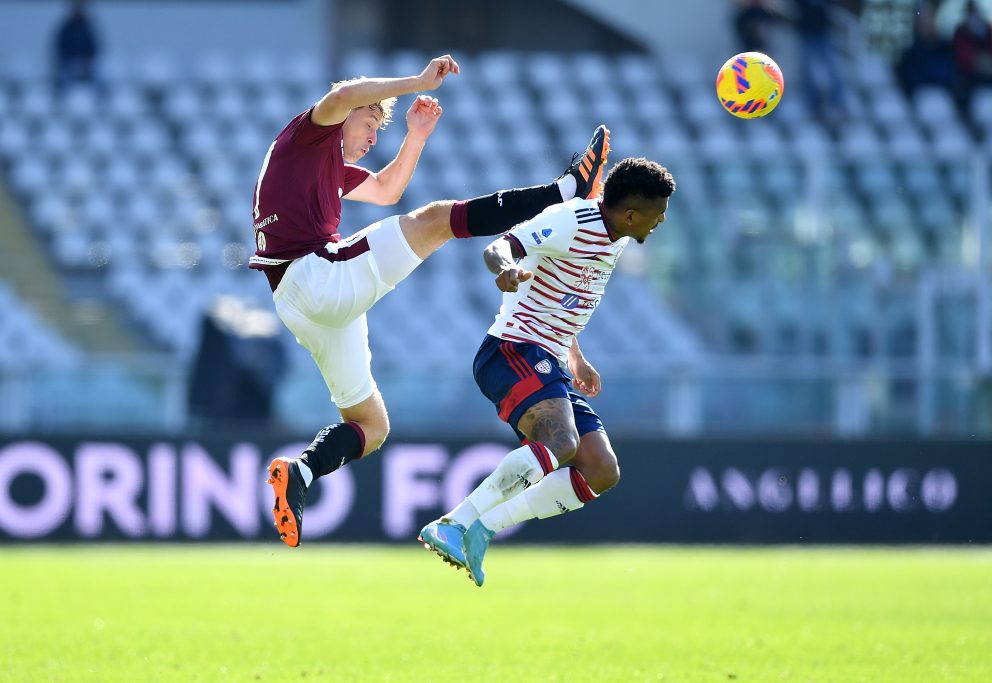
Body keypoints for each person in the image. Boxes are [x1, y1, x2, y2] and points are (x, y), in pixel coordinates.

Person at [253, 54, 611, 547]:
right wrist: (417, 82)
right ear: (348, 116)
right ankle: (565, 189)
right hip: (315, 276)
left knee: (371, 426)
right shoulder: (310, 136)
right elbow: (340, 97)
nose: (374, 135)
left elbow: (386, 190)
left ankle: (301, 473)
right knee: (439, 218)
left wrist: (415, 136)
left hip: (299, 302)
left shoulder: (327, 167)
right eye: (371, 121)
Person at [418, 157, 676, 586]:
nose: (662, 220)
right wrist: (505, 269)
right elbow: (497, 248)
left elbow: (566, 293)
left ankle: (483, 528)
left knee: (600, 470)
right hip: (512, 348)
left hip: (551, 359)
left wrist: (574, 355)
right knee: (561, 440)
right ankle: (454, 523)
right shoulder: (569, 220)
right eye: (658, 212)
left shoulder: (619, 234)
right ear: (631, 214)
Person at [951, 0, 992, 104]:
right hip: (968, 77)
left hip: (986, 75)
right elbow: (962, 58)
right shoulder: (961, 31)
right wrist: (979, 60)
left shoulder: (987, 30)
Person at [53, 0, 100, 89]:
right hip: (69, 62)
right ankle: (62, 100)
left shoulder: (87, 28)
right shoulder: (66, 28)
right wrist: (73, 60)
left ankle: (100, 101)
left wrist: (85, 61)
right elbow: (60, 47)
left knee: (98, 78)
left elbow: (93, 48)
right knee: (63, 78)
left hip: (85, 64)